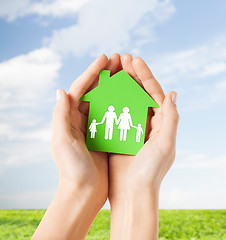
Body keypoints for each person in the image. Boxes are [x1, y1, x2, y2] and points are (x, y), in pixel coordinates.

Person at [32, 53, 179, 240]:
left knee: (119, 133)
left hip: (125, 130)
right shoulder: (111, 114)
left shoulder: (123, 114)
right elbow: (108, 119)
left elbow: (121, 119)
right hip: (108, 129)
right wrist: (79, 185)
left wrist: (133, 190)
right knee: (110, 132)